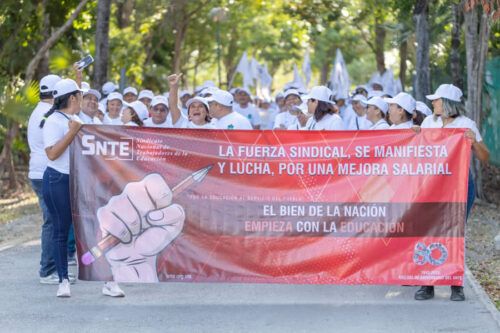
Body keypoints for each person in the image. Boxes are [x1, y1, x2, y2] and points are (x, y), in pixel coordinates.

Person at [40, 78, 124, 298]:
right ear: (72, 98)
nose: (83, 99)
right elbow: (52, 153)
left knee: (98, 229)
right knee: (61, 230)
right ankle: (63, 281)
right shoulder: (53, 121)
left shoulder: (76, 119)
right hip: (58, 180)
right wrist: (73, 131)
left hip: (82, 181)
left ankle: (108, 281)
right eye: (81, 96)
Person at [414, 84, 490, 302]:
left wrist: (473, 141)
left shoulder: (466, 124)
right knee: (429, 231)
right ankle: (427, 283)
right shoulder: (429, 122)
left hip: (459, 185)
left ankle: (455, 283)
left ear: (447, 103)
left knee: (455, 234)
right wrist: (415, 135)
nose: (433, 103)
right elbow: (418, 151)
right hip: (431, 186)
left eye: (437, 100)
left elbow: (485, 158)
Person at [27, 74, 62, 285]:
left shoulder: (41, 110)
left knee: (53, 220)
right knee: (51, 221)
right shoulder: (47, 114)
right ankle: (47, 270)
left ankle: (52, 266)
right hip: (44, 173)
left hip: (40, 173)